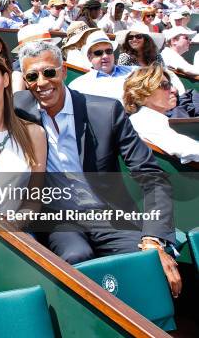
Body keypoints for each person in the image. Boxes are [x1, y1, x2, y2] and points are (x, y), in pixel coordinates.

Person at [14, 41, 181, 298]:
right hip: (59, 220)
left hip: (110, 216)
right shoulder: (19, 108)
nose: (41, 82)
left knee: (148, 267)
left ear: (64, 71)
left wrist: (153, 240)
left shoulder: (104, 111)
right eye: (32, 76)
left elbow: (152, 177)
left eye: (49, 72)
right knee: (75, 258)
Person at [123, 64, 199, 164]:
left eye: (170, 85)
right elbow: (188, 150)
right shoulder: (145, 122)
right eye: (165, 85)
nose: (173, 90)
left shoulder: (151, 118)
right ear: (143, 94)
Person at [68, 30, 132, 101]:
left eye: (109, 51)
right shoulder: (78, 85)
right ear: (89, 58)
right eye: (98, 53)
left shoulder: (134, 71)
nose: (105, 56)